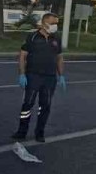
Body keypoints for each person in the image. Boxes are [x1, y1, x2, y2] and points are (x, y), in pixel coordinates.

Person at [13, 12, 66, 143]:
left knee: (45, 106)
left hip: (49, 78)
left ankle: (39, 133)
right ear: (44, 23)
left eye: (56, 24)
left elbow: (59, 58)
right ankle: (21, 132)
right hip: (33, 76)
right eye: (53, 23)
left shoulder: (56, 38)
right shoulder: (32, 37)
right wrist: (22, 74)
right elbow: (22, 56)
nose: (55, 26)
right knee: (28, 104)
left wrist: (61, 75)